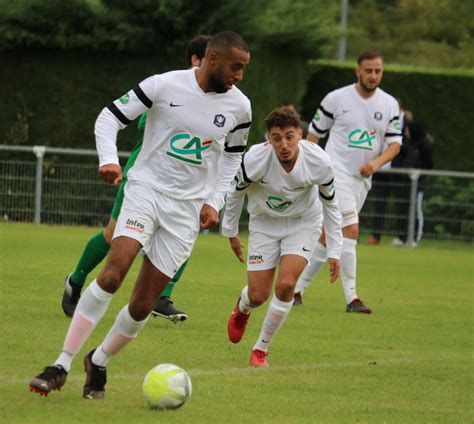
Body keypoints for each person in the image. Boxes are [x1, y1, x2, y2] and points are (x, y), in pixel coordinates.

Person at [29, 31, 252, 398]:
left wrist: (215, 199)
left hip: (186, 211)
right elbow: (108, 118)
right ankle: (61, 363)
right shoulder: (163, 85)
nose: (240, 75)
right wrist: (108, 160)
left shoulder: (240, 107)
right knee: (115, 271)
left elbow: (232, 156)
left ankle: (97, 361)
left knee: (144, 303)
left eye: (244, 68)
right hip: (145, 189)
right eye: (236, 66)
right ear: (212, 59)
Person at [62, 35, 212, 323]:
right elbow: (143, 124)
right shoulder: (169, 90)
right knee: (112, 235)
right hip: (144, 179)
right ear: (196, 60)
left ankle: (162, 296)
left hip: (185, 186)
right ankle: (76, 281)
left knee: (183, 236)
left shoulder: (221, 102)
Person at [222, 107, 342, 367]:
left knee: (287, 285)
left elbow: (331, 205)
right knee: (258, 295)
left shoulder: (319, 162)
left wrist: (335, 251)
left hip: (303, 223)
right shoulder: (255, 159)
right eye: (277, 138)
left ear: (300, 134)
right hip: (264, 223)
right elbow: (234, 194)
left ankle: (260, 350)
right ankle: (242, 309)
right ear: (268, 138)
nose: (284, 145)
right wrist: (230, 232)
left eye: (289, 136)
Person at [294, 51, 402, 313]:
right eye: (368, 70)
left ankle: (295, 289)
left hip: (362, 180)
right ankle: (352, 298)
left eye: (378, 71)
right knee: (349, 229)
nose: (373, 75)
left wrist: (376, 163)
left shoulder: (389, 104)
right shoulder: (336, 98)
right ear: (358, 71)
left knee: (326, 237)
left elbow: (395, 144)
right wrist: (309, 169)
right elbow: (313, 136)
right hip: (335, 173)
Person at [368, 101, 412, 245]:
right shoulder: (381, 120)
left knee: (401, 205)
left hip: (398, 171)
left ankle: (401, 237)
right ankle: (376, 236)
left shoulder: (407, 123)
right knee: (379, 205)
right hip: (381, 170)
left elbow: (409, 148)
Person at [391, 120, 434, 246]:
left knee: (416, 209)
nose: (406, 132)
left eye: (408, 130)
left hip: (418, 184)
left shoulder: (426, 145)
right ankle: (401, 237)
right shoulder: (409, 144)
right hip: (406, 182)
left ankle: (415, 238)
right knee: (402, 208)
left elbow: (429, 165)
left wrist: (418, 174)